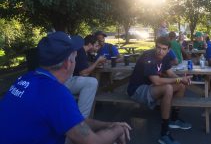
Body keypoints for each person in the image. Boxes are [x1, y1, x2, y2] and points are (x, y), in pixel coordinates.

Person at [0, 31, 131, 144]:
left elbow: (75, 122)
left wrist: (108, 125)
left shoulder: (25, 78)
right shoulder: (56, 93)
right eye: (75, 56)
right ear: (68, 63)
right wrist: (118, 129)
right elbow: (93, 141)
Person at [127, 36, 192, 144]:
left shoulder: (166, 57)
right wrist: (179, 79)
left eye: (164, 49)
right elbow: (156, 81)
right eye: (158, 47)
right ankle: (164, 133)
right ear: (155, 46)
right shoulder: (148, 56)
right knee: (168, 88)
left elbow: (170, 73)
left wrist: (182, 80)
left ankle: (174, 119)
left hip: (150, 87)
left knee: (181, 86)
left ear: (168, 50)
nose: (160, 51)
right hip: (137, 90)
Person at [64, 34, 106, 118]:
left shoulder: (83, 52)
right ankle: (81, 118)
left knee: (94, 81)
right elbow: (84, 73)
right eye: (96, 45)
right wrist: (97, 62)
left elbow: (83, 68)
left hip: (67, 80)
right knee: (92, 82)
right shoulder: (81, 51)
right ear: (90, 44)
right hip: (65, 81)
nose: (97, 48)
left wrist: (94, 64)